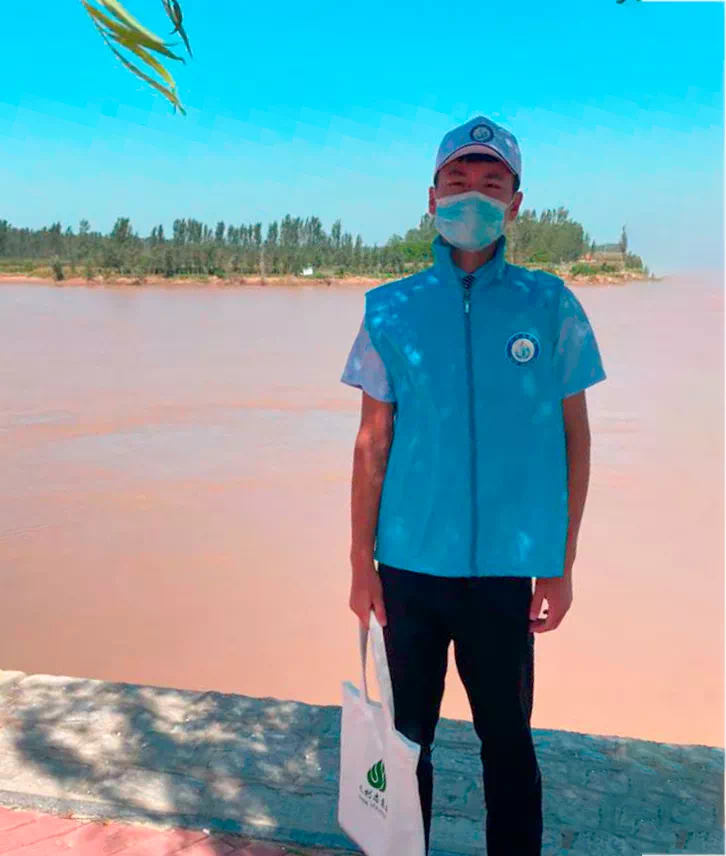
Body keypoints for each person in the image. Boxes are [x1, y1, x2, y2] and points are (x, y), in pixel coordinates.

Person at [340, 115, 606, 856]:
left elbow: (574, 439)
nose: (472, 196)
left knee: (508, 743)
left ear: (515, 203)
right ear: (432, 196)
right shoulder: (390, 308)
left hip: (504, 573)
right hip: (409, 566)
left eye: (491, 184)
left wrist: (560, 562)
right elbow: (372, 441)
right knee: (405, 743)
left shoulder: (549, 305)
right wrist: (361, 564)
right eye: (457, 181)